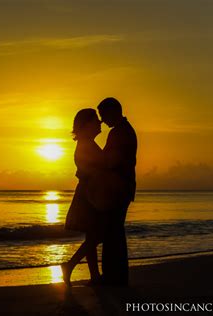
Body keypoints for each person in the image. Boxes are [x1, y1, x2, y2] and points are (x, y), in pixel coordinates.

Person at [62, 108, 105, 286]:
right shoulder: (86, 145)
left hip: (89, 192)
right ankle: (70, 265)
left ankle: (94, 275)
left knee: (92, 235)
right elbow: (91, 171)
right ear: (85, 125)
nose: (99, 123)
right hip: (90, 194)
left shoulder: (87, 144)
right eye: (95, 120)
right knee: (98, 234)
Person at [97, 97, 137, 286]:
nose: (103, 121)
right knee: (114, 232)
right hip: (123, 187)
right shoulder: (124, 131)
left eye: (103, 116)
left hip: (118, 188)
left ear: (114, 112)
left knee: (112, 232)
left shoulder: (120, 133)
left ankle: (114, 276)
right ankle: (117, 276)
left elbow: (111, 161)